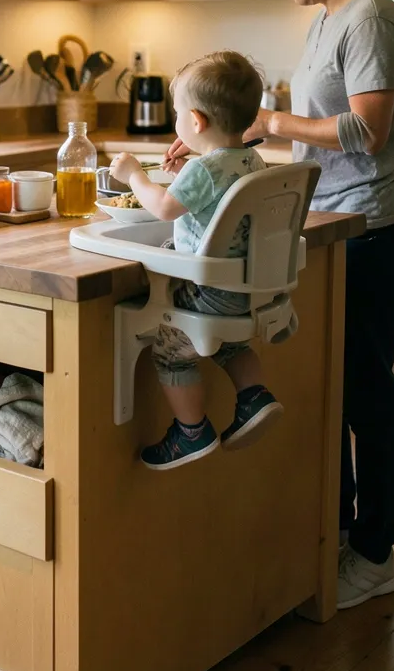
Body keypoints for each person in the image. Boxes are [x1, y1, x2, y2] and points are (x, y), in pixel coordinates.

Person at [167, 0, 394, 609]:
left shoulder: (370, 19)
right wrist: (229, 141)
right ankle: (338, 537)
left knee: (367, 394)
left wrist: (265, 119)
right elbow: (315, 124)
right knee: (336, 386)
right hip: (340, 220)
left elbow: (364, 132)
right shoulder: (327, 21)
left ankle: (374, 556)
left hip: (372, 226)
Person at [110, 51, 283, 471]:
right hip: (245, 292)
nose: (175, 121)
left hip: (205, 294)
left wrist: (135, 175)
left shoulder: (203, 171)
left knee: (169, 352)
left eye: (177, 113)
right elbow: (211, 192)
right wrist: (186, 171)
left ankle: (191, 432)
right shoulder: (251, 160)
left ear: (196, 122)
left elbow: (165, 210)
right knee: (231, 343)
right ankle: (254, 396)